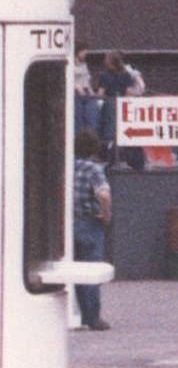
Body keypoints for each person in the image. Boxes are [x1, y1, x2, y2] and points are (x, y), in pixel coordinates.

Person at [72, 130, 112, 331]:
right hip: (89, 222)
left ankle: (83, 315)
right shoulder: (94, 169)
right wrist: (106, 216)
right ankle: (93, 317)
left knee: (77, 272)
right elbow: (103, 195)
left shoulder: (66, 165)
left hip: (69, 222)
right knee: (91, 270)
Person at [97, 50, 145, 171]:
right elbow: (129, 92)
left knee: (111, 132)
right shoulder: (126, 75)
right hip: (123, 105)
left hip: (110, 104)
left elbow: (100, 93)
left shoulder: (104, 75)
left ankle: (111, 159)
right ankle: (126, 159)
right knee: (122, 130)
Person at [73, 48, 101, 135]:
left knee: (91, 115)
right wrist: (77, 87)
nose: (85, 54)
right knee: (78, 117)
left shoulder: (84, 65)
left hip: (85, 93)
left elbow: (87, 80)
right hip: (75, 93)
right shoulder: (70, 64)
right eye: (83, 51)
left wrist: (91, 92)